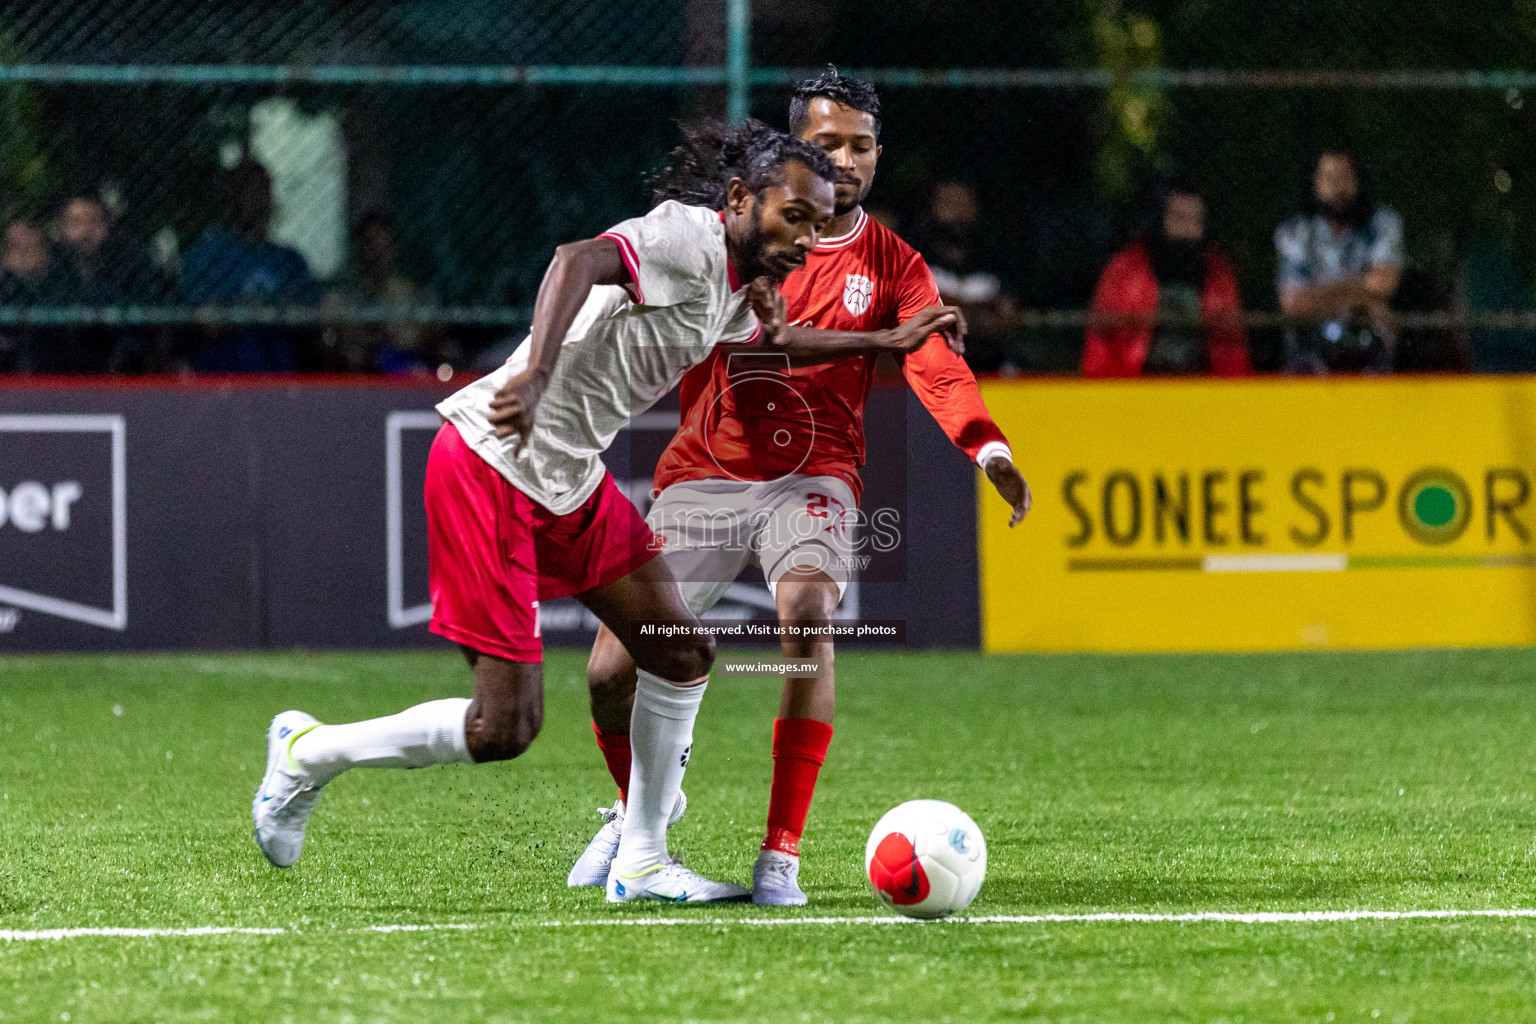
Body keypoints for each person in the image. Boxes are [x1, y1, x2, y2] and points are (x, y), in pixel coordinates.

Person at [251, 121, 961, 904]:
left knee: (681, 653)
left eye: (820, 225)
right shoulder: (684, 240)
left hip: (568, 480)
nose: (807, 237)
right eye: (794, 216)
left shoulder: (742, 282)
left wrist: (888, 337)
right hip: (491, 463)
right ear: (738, 198)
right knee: (503, 730)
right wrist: (535, 373)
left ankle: (644, 860)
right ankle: (309, 752)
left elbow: (776, 340)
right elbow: (577, 260)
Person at [571, 68, 1031, 907]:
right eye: (827, 143)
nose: (845, 159)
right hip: (704, 472)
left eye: (860, 144)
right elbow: (745, 343)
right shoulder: (742, 238)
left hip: (816, 475)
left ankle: (779, 854)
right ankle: (640, 816)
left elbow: (934, 361)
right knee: (609, 669)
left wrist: (987, 447)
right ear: (793, 150)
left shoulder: (894, 262)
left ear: (879, 154)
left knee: (807, 616)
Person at [1082, 181, 1251, 376]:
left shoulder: (1218, 272)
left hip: (1203, 389)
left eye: (1195, 220)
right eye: (1179, 218)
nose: (1187, 229)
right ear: (1160, 219)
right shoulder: (1125, 270)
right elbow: (1102, 343)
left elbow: (1234, 347)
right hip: (1136, 386)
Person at [182, 158, 319, 372]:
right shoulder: (207, 255)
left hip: (280, 380)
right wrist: (270, 308)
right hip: (223, 380)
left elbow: (306, 319)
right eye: (247, 189)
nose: (257, 199)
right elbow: (207, 321)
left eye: (263, 190)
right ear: (231, 197)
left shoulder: (289, 261)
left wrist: (243, 308)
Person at [1275, 148, 1404, 374]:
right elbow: (1292, 303)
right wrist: (1360, 295)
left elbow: (1384, 284)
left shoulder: (1383, 224)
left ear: (1358, 180)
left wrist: (1320, 296)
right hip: (1311, 352)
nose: (1338, 187)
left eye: (1345, 177)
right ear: (1313, 183)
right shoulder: (1293, 232)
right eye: (1329, 178)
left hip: (1369, 347)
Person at [52, 189, 171, 373]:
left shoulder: (132, 259)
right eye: (75, 223)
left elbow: (146, 311)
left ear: (107, 225)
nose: (85, 231)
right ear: (62, 228)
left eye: (93, 222)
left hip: (119, 356)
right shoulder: (53, 263)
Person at [907, 180, 1022, 372]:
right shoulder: (915, 258)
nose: (958, 214)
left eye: (964, 204)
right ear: (932, 208)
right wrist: (981, 311)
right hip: (929, 371)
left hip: (990, 369)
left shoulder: (995, 260)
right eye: (949, 204)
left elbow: (1010, 320)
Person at [322, 211, 446, 374]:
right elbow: (330, 339)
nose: (378, 253)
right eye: (371, 245)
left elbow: (425, 337)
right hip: (355, 374)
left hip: (404, 373)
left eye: (384, 245)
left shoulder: (413, 295)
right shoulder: (339, 298)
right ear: (358, 248)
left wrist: (398, 338)